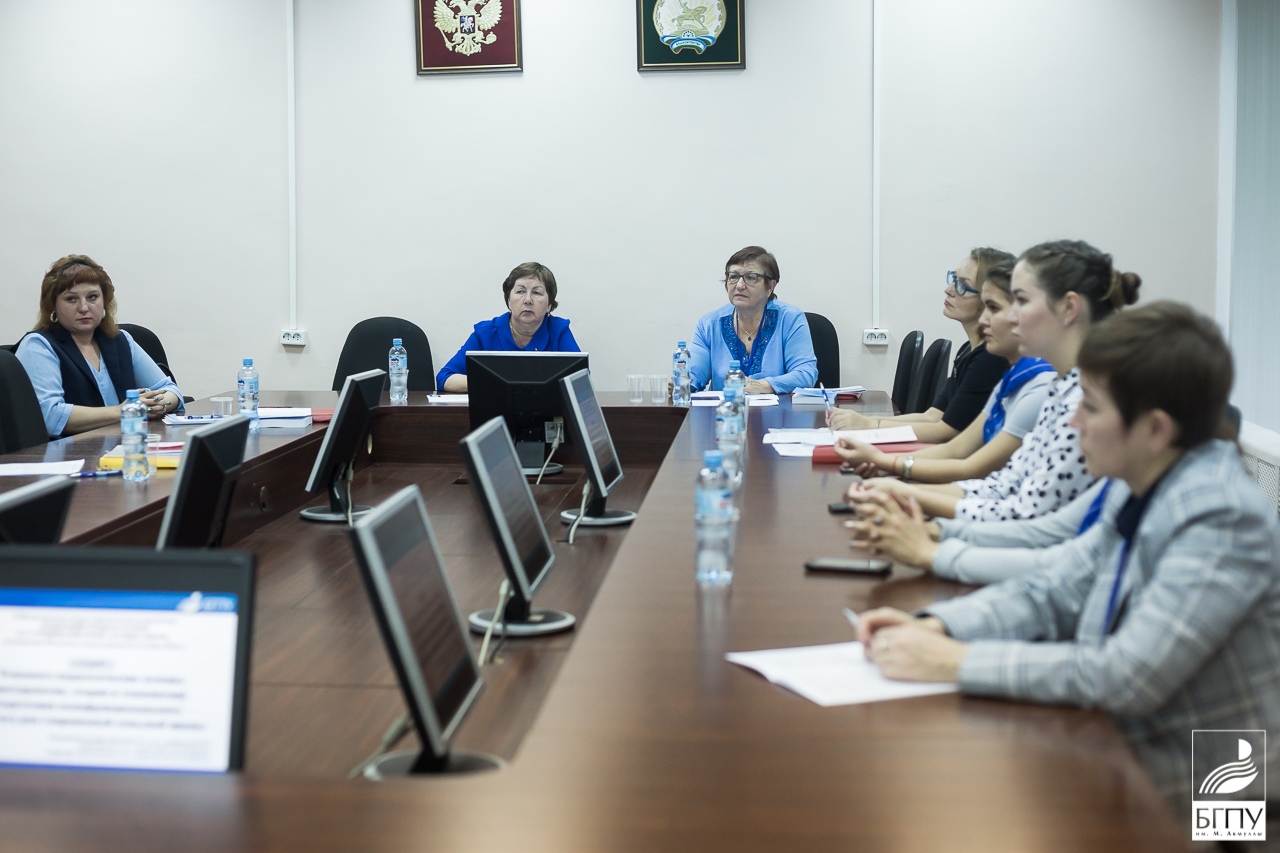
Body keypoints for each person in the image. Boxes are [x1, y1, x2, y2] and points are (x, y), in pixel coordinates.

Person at [852, 301, 1280, 811]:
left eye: (1091, 407)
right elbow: (1057, 587)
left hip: (1217, 795)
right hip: (1129, 748)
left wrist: (954, 661)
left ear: (1155, 429)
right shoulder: (1146, 478)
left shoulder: (1221, 516)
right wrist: (938, 625)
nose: (1075, 421)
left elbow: (1128, 675)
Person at [846, 239, 1140, 522]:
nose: (1010, 317)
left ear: (1069, 308)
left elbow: (1027, 515)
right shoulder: (1057, 389)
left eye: (1020, 301)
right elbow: (1004, 487)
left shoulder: (1077, 398)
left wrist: (924, 524)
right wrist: (899, 487)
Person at [833, 262, 1055, 484]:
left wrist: (886, 460)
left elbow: (963, 455)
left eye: (993, 307)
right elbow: (955, 445)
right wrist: (884, 461)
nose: (984, 319)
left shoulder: (1017, 374)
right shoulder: (1005, 373)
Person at [827, 248, 1013, 443]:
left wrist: (868, 426)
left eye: (962, 286)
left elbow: (947, 431)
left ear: (987, 299)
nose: (949, 290)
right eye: (953, 279)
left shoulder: (989, 359)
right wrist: (864, 421)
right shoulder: (968, 349)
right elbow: (932, 416)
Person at [15, 254, 184, 438]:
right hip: (71, 452)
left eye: (92, 297)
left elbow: (171, 390)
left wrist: (155, 405)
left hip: (123, 446)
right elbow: (50, 416)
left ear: (105, 301)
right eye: (71, 299)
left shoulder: (121, 340)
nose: (83, 307)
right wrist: (123, 411)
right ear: (53, 305)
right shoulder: (38, 346)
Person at [686, 246, 817, 394]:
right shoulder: (709, 324)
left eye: (751, 277)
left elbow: (805, 373)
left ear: (770, 286)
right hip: (725, 408)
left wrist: (766, 385)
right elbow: (694, 375)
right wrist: (683, 382)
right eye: (733, 276)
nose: (740, 286)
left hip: (778, 408)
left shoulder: (790, 319)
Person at [436, 261, 580, 393]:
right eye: (520, 291)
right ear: (509, 300)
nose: (528, 300)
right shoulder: (486, 333)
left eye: (536, 292)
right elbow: (445, 378)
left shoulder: (558, 331)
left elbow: (579, 381)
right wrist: (493, 383)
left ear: (549, 304)